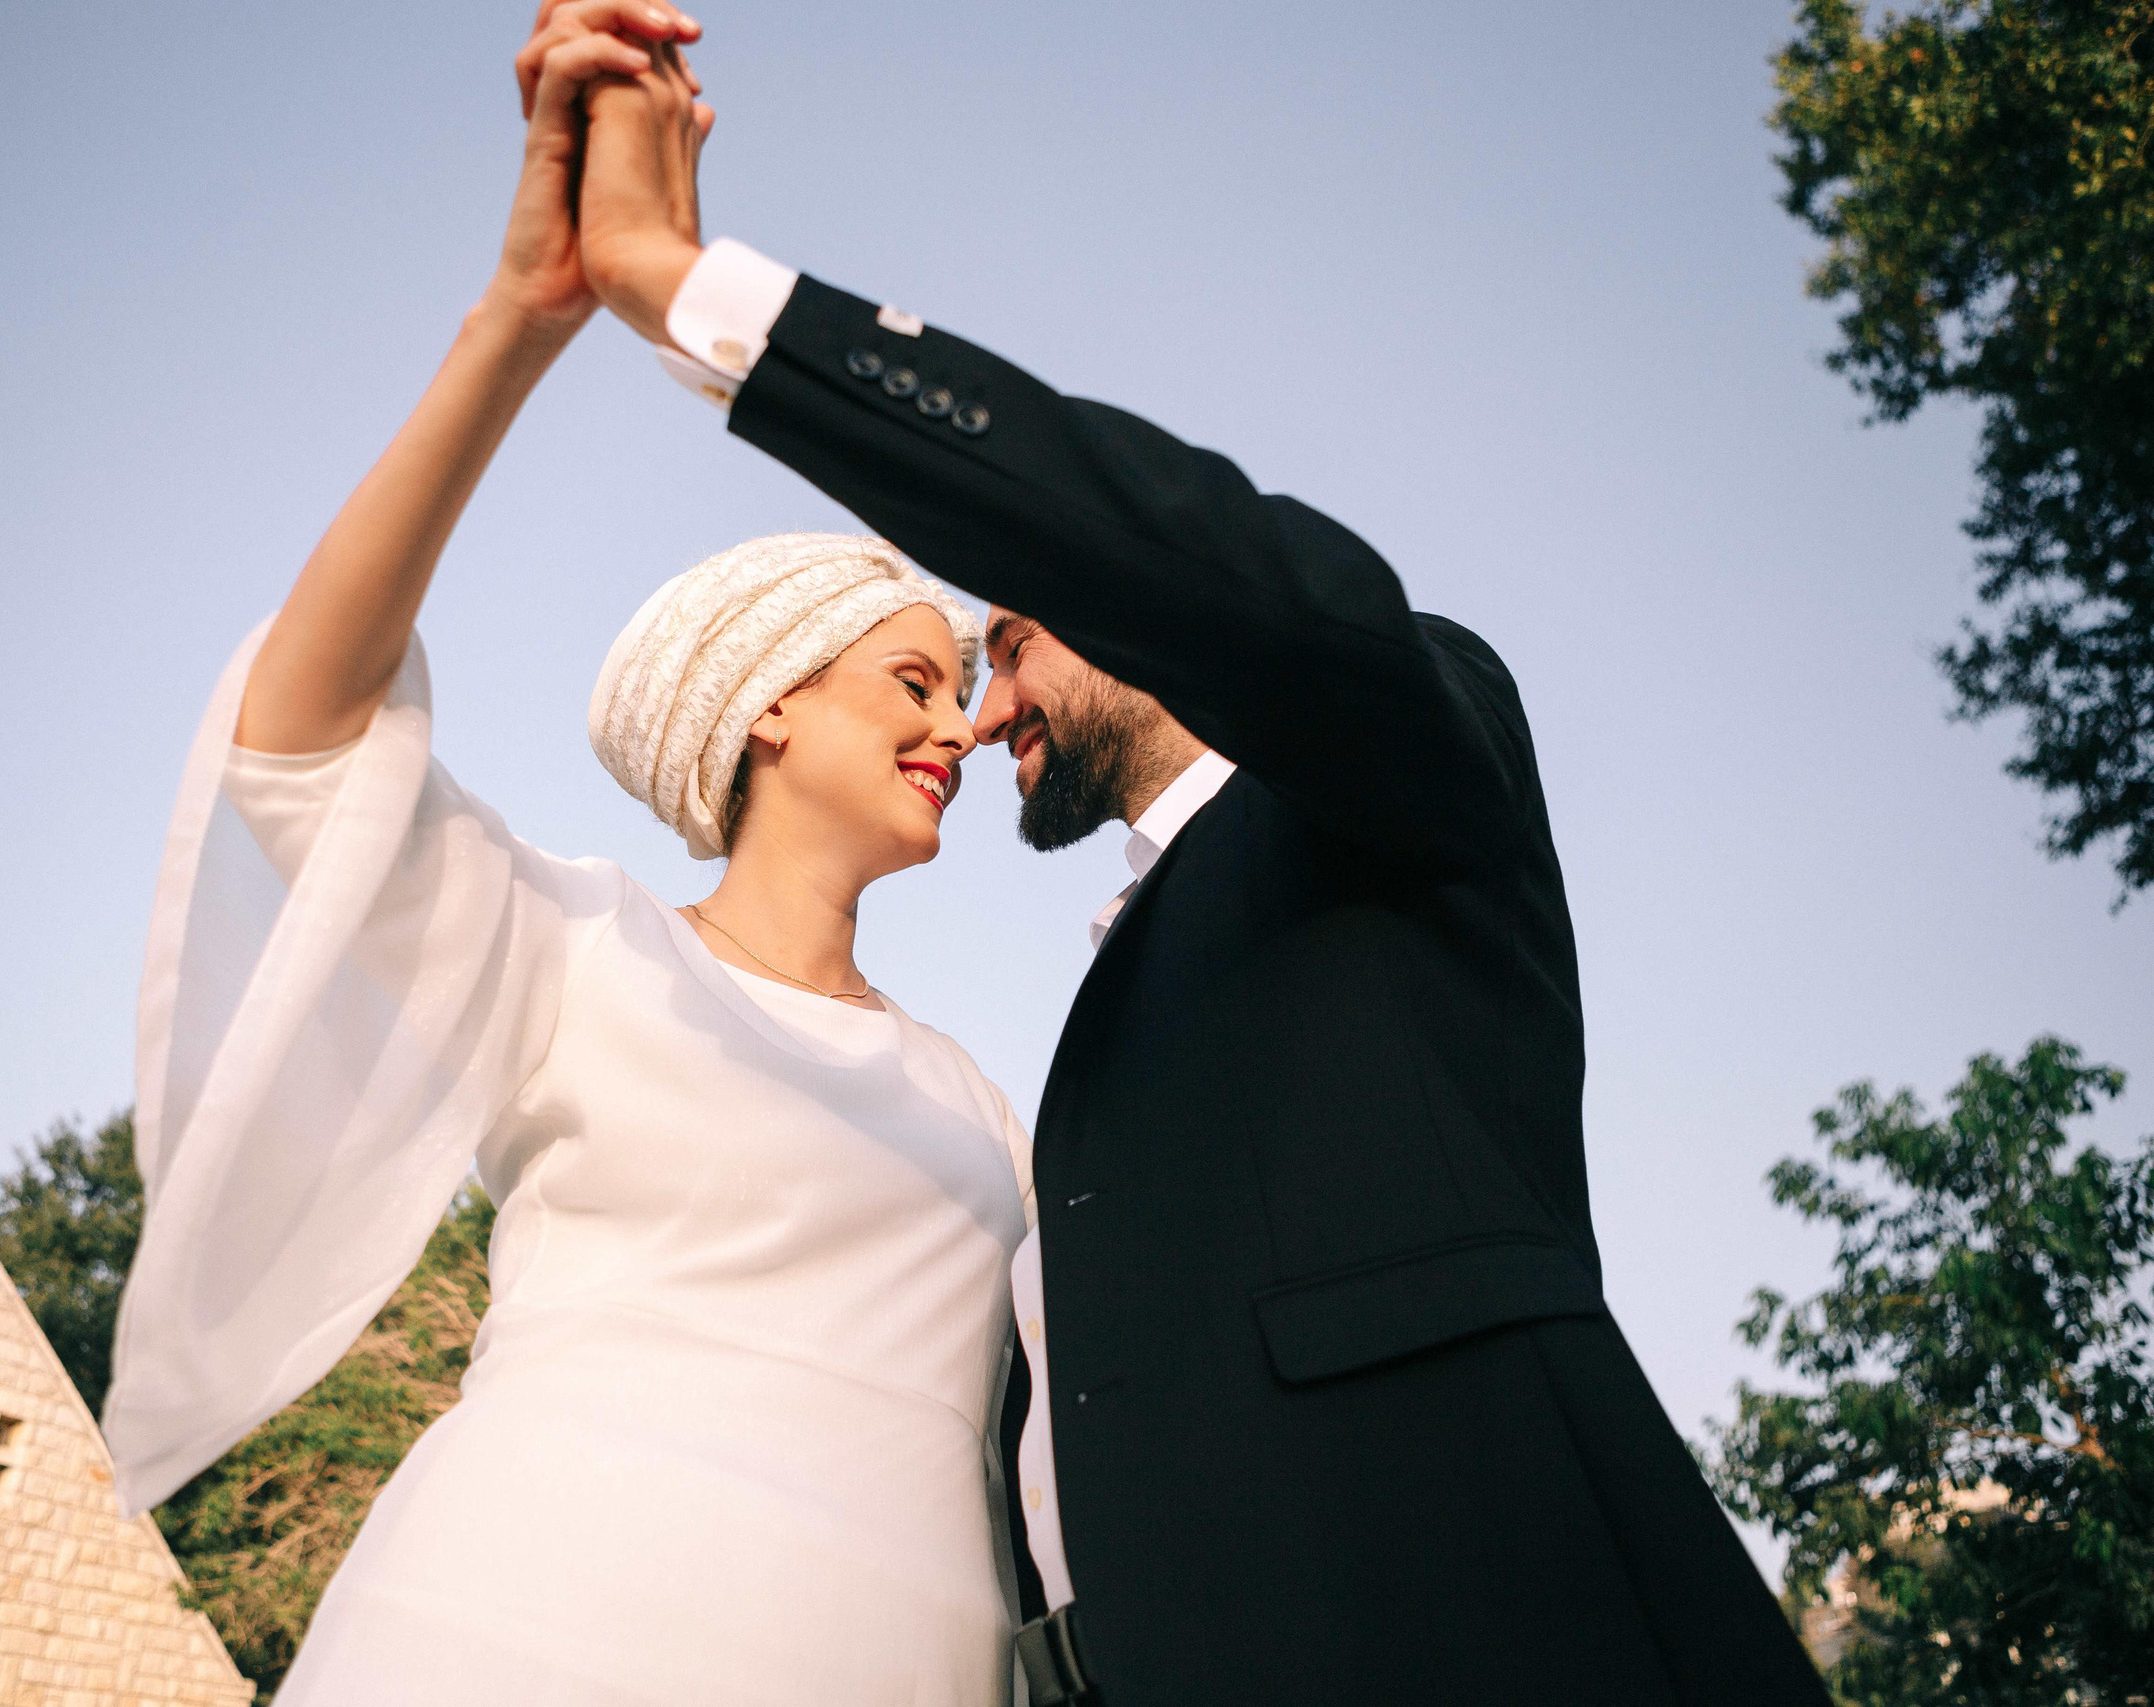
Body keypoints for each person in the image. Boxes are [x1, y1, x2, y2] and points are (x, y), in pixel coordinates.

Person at [554, 8, 1837, 1702]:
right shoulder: (1091, 1022)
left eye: (1005, 640)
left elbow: (1198, 562)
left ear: (1123, 597)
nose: (990, 708)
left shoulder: (1391, 766)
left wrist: (690, 292)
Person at [100, 13, 1039, 1702]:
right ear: (764, 710)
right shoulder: (572, 950)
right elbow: (299, 740)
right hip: (526, 1626)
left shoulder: (980, 1103)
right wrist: (524, 319)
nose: (956, 730)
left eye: (963, 698)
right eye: (914, 681)